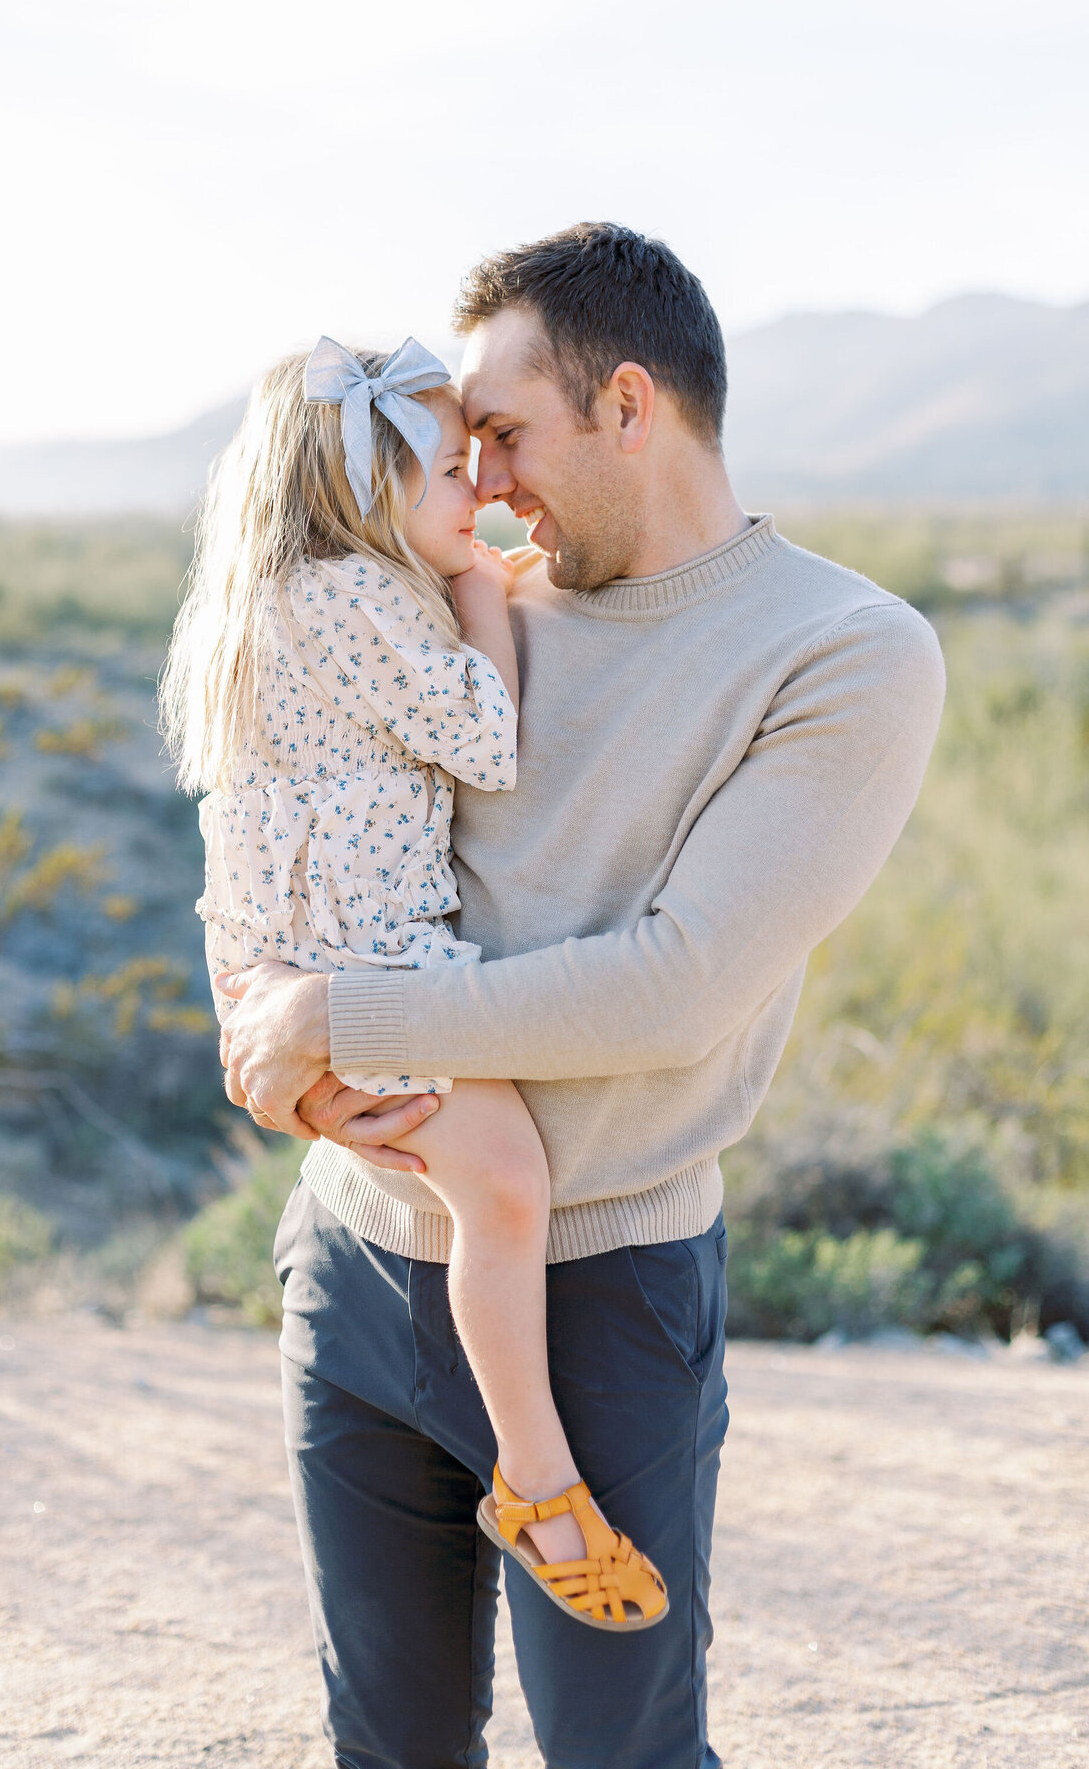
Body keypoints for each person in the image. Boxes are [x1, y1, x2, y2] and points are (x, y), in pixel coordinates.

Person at [213, 223, 947, 1769]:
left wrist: (331, 1023)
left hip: (607, 1295)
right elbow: (295, 797)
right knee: (389, 1747)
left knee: (624, 1758)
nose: (479, 481)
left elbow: (675, 992)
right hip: (353, 1259)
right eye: (462, 448)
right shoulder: (455, 592)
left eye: (503, 433)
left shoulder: (843, 653)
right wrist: (253, 1013)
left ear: (630, 406)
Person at [160, 334, 669, 1627]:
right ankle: (541, 1481)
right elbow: (486, 744)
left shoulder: (290, 590)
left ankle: (523, 1470)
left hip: (314, 944)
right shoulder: (355, 597)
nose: (479, 496)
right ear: (367, 492)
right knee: (506, 1190)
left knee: (487, 1186)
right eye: (449, 473)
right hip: (368, 957)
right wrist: (486, 588)